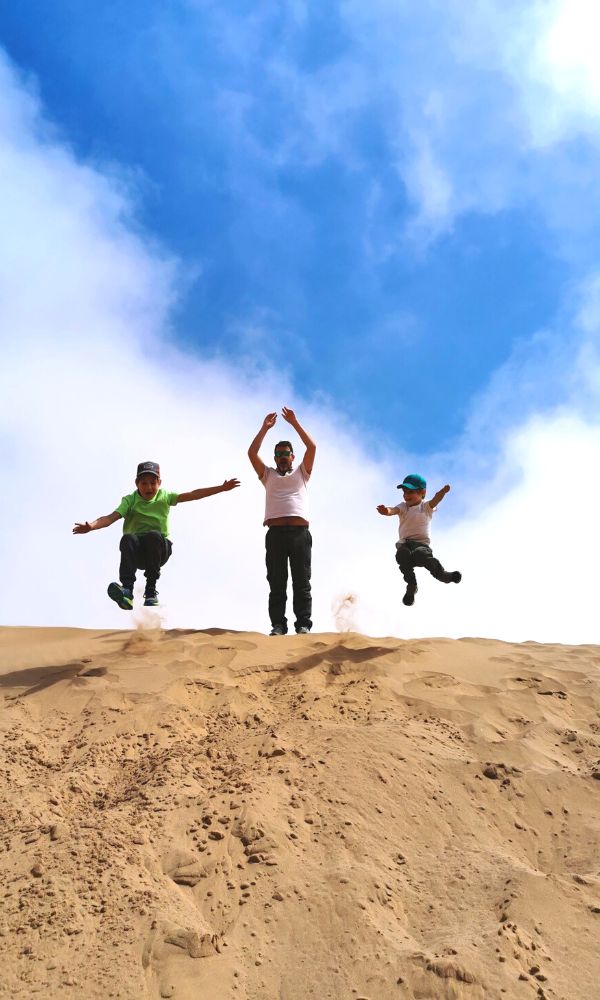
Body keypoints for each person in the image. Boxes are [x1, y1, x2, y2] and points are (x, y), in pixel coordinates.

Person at [73, 460, 240, 609]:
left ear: (159, 483)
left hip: (159, 550)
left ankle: (151, 591)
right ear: (136, 484)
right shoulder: (130, 500)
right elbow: (110, 518)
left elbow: (193, 495)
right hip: (137, 554)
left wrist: (221, 488)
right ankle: (127, 591)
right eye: (144, 483)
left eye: (153, 483)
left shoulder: (164, 496)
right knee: (128, 538)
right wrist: (91, 526)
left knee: (153, 535)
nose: (149, 487)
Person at [248, 408, 316, 635]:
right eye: (278, 454)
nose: (283, 456)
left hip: (299, 534)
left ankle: (303, 624)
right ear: (275, 457)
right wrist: (264, 429)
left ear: (293, 456)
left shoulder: (302, 474)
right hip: (275, 534)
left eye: (286, 453)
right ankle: (278, 625)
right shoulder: (268, 475)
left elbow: (312, 447)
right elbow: (251, 453)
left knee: (301, 581)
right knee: (277, 582)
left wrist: (295, 423)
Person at [377, 473, 461, 607]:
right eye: (404, 492)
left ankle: (443, 575)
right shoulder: (403, 507)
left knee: (421, 555)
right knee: (401, 554)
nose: (406, 495)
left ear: (422, 492)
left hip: (421, 546)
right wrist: (385, 511)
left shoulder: (426, 508)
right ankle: (411, 584)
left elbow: (436, 499)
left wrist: (443, 492)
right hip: (405, 544)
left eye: (410, 491)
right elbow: (393, 510)